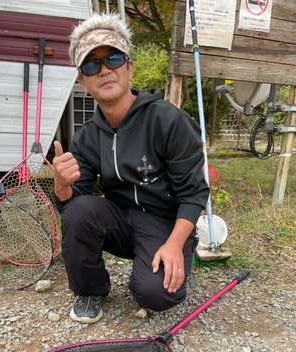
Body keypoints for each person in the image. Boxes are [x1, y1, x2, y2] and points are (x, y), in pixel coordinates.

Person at [52, 12, 209, 324]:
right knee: (79, 211)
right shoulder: (86, 137)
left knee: (156, 294)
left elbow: (194, 194)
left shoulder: (168, 121)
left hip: (164, 222)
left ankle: (173, 256)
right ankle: (89, 288)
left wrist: (176, 244)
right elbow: (73, 207)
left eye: (113, 58)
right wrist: (61, 185)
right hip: (120, 219)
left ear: (129, 68)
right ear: (83, 82)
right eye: (92, 65)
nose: (105, 70)